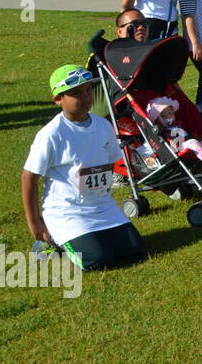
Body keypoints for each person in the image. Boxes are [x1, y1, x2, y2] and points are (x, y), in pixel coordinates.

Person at [22, 64, 146, 271]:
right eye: (76, 93)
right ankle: (50, 244)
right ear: (58, 99)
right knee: (96, 261)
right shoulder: (52, 134)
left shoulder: (103, 125)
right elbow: (29, 177)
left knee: (135, 251)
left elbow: (109, 164)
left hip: (102, 207)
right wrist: (34, 222)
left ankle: (95, 237)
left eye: (88, 90)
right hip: (67, 211)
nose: (86, 97)